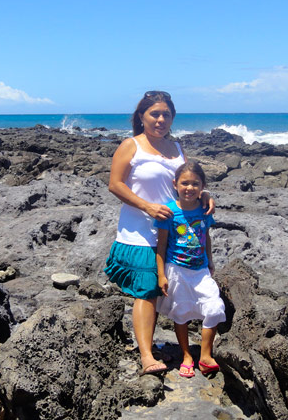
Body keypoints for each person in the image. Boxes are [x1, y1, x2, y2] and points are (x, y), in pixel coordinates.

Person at [104, 91, 214, 376]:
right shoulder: (131, 146)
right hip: (139, 232)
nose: (161, 119)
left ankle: (189, 352)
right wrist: (147, 207)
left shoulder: (176, 147)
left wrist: (205, 195)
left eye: (166, 114)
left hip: (175, 235)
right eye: (155, 113)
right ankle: (146, 355)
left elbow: (185, 181)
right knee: (146, 289)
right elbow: (115, 184)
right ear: (141, 116)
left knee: (171, 290)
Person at [155, 160, 226, 378]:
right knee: (182, 312)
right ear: (175, 184)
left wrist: (211, 260)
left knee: (214, 307)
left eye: (195, 184)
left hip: (201, 270)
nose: (189, 188)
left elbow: (207, 238)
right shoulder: (169, 211)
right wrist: (161, 274)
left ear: (203, 186)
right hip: (176, 270)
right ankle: (186, 355)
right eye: (185, 183)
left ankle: (205, 355)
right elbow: (162, 245)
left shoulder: (205, 209)